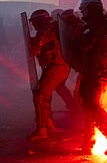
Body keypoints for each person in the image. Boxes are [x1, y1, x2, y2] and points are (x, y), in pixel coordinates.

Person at [61, 0, 107, 155]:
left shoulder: (95, 26)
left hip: (97, 70)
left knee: (91, 104)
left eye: (85, 9)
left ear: (91, 9)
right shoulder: (103, 24)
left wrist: (74, 33)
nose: (82, 12)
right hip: (100, 68)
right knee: (90, 105)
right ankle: (89, 142)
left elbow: (85, 45)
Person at [27, 9, 75, 140]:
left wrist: (30, 43)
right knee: (47, 94)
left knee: (40, 96)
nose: (34, 26)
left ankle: (42, 129)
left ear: (39, 20)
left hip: (56, 66)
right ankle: (48, 123)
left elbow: (35, 48)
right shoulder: (51, 27)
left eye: (35, 22)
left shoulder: (45, 30)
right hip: (59, 65)